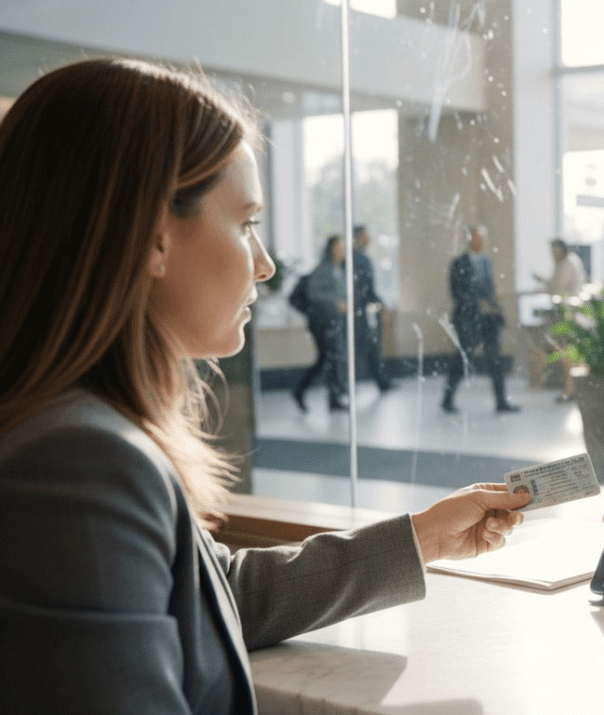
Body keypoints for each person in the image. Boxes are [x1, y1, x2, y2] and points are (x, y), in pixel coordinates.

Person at [0, 58, 530, 713]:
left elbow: (215, 595)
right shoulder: (83, 464)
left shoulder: (71, 431)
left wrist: (422, 536)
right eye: (247, 222)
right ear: (153, 239)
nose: (266, 262)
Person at [442, 224, 520, 414]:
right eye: (477, 238)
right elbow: (456, 293)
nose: (481, 242)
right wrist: (477, 304)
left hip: (488, 320)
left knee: (495, 360)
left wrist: (493, 301)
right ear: (470, 239)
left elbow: (488, 287)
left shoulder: (486, 261)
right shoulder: (458, 263)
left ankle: (501, 401)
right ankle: (447, 399)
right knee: (462, 359)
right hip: (468, 320)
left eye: (483, 238)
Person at [293, 234, 349, 411]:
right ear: (331, 248)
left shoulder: (339, 268)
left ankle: (333, 398)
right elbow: (314, 294)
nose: (343, 250)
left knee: (331, 359)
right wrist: (336, 302)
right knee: (326, 359)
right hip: (322, 323)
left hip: (334, 322)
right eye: (339, 246)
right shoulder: (323, 269)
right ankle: (301, 390)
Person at [533, 237, 588, 401]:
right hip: (564, 312)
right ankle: (569, 389)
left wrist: (545, 286)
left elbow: (557, 287)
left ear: (561, 251)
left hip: (568, 314)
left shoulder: (569, 264)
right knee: (564, 352)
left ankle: (570, 390)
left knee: (566, 352)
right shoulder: (563, 264)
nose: (553, 255)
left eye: (555, 251)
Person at [351, 224, 394, 393]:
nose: (368, 239)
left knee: (369, 347)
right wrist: (380, 305)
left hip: (361, 310)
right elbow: (365, 288)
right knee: (367, 346)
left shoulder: (360, 258)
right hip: (359, 311)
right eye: (365, 235)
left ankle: (381, 381)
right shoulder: (359, 259)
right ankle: (379, 381)